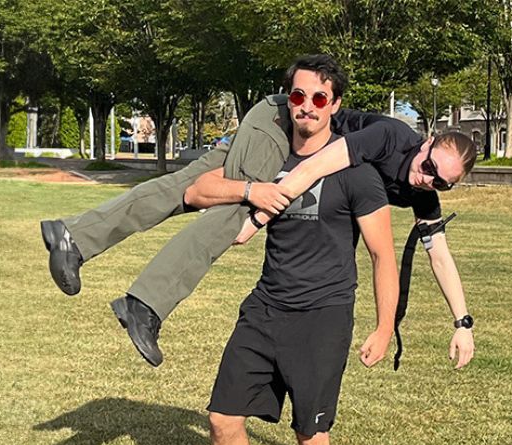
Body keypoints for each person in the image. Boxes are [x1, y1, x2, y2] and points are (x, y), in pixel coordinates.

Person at [41, 73, 476, 370]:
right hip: (284, 121)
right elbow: (313, 167)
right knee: (233, 205)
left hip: (293, 139)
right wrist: (259, 215)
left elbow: (439, 255)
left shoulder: (423, 189)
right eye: (431, 165)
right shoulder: (391, 137)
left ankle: (73, 235)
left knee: (184, 186)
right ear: (428, 140)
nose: (429, 179)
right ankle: (145, 304)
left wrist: (462, 323)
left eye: (443, 183)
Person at [181, 55, 397, 445]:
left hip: (322, 316)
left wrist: (385, 325)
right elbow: (202, 196)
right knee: (222, 418)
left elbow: (382, 256)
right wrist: (243, 199)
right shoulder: (267, 158)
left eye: (319, 99)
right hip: (266, 306)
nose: (306, 107)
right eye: (297, 96)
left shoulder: (357, 174)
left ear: (335, 106)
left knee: (311, 433)